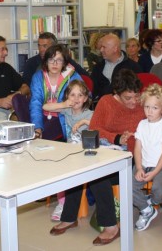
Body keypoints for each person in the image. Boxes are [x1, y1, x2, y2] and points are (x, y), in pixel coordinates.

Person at [49, 69, 162, 245]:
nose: (135, 101)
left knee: (98, 176)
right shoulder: (106, 102)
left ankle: (111, 226)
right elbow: (95, 127)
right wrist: (116, 138)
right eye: (128, 98)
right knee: (79, 168)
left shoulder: (143, 103)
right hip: (109, 151)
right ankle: (69, 217)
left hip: (134, 156)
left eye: (136, 96)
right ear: (116, 94)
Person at [42, 79, 93, 221]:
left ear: (85, 98)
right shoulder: (67, 110)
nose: (76, 99)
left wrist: (83, 122)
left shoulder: (89, 114)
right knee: (59, 170)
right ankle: (62, 203)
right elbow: (46, 107)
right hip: (70, 152)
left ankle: (69, 203)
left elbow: (98, 123)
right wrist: (63, 104)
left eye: (80, 95)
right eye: (72, 95)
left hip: (85, 153)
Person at [132, 83, 162, 231]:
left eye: (155, 108)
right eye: (147, 107)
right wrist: (139, 167)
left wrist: (155, 172)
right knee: (128, 186)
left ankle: (152, 201)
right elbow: (137, 148)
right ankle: (147, 210)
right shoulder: (142, 124)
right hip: (144, 164)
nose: (150, 111)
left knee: (158, 189)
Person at [29, 44, 83, 141]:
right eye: (51, 59)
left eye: (59, 60)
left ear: (64, 63)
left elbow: (84, 98)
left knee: (48, 137)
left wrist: (62, 106)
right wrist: (37, 127)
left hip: (64, 118)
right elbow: (36, 103)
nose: (55, 64)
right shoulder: (38, 77)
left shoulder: (73, 76)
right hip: (42, 116)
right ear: (46, 61)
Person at [90, 33, 141, 102]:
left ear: (115, 49)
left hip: (125, 107)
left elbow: (137, 92)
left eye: (104, 47)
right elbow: (92, 92)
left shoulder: (133, 67)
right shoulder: (98, 68)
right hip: (102, 106)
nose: (101, 50)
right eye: (101, 47)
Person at [22, 31, 88, 85]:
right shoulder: (30, 63)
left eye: (45, 46)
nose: (41, 49)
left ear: (54, 47)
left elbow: (85, 76)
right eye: (39, 46)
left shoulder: (65, 60)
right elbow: (26, 87)